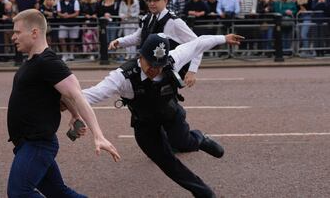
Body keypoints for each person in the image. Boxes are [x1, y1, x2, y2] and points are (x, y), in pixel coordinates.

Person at [79, 33, 243, 197]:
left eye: (159, 65)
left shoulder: (172, 59)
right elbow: (94, 93)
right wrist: (63, 99)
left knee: (182, 141)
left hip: (171, 115)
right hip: (145, 124)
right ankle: (203, 192)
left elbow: (197, 44)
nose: (154, 70)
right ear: (141, 55)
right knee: (167, 163)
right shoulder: (123, 76)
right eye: (150, 63)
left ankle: (200, 138)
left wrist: (223, 38)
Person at [7, 9, 120, 197]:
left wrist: (98, 135)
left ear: (34, 32)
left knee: (18, 193)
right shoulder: (35, 61)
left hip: (37, 143)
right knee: (58, 192)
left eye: (17, 32)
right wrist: (74, 115)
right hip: (30, 143)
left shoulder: (48, 62)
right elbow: (61, 95)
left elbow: (77, 95)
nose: (13, 37)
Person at [109, 0, 201, 87]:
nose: (152, 3)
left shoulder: (174, 22)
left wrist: (192, 71)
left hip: (164, 74)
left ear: (165, 1)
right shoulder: (147, 18)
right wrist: (119, 41)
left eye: (156, 0)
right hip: (148, 69)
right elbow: (138, 37)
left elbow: (198, 44)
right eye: (149, 0)